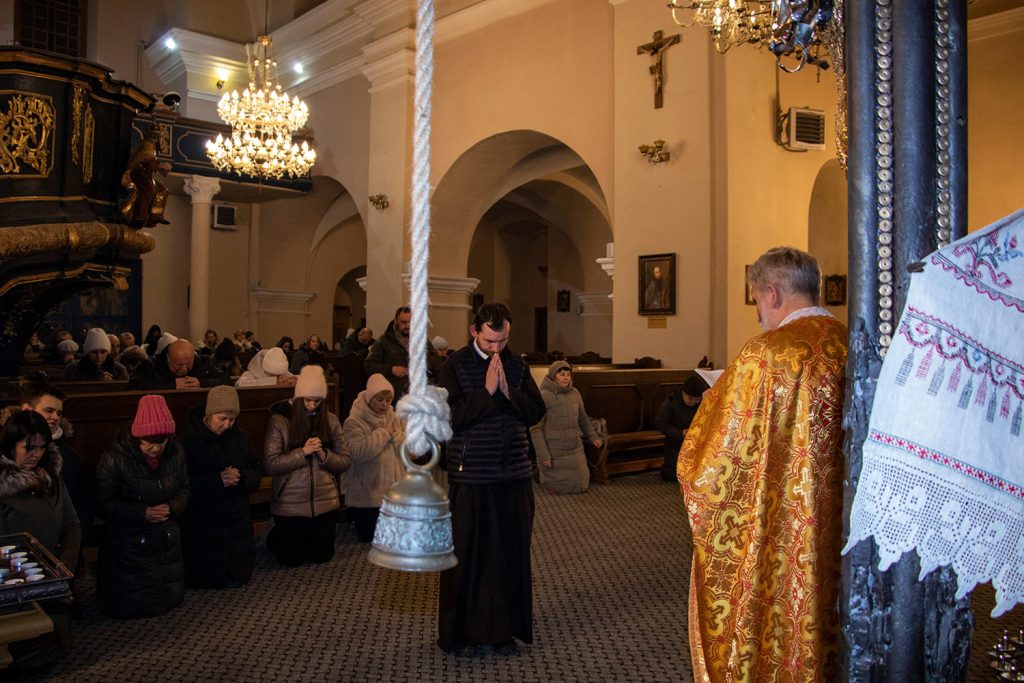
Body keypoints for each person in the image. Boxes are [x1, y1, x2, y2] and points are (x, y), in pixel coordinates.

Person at [678, 247, 848, 681]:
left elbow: (717, 458)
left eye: (756, 299)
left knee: (782, 613)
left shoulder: (767, 354)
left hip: (784, 524)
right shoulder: (851, 342)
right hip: (844, 519)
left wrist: (712, 403)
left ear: (771, 293)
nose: (758, 310)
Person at [437, 303, 546, 656]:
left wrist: (508, 393)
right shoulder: (453, 366)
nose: (496, 348)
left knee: (510, 555)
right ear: (474, 332)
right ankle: (463, 635)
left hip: (514, 475)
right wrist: (485, 392)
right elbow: (448, 419)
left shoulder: (516, 364)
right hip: (472, 478)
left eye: (502, 341)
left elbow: (535, 411)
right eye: (489, 341)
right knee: (469, 558)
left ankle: (504, 632)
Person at [95, 395, 189, 619]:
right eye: (148, 443)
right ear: (136, 438)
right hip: (129, 536)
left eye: (161, 443)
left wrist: (171, 507)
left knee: (166, 584)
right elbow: (103, 503)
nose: (155, 449)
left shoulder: (176, 454)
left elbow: (185, 489)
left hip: (165, 532)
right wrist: (142, 513)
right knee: (134, 595)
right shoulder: (114, 459)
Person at [0, 410, 80, 673]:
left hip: (52, 574)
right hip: (14, 579)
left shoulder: (51, 477)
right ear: (11, 446)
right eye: (28, 448)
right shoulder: (4, 485)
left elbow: (72, 525)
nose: (36, 454)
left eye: (42, 448)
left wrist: (63, 566)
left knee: (56, 645)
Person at [263, 366, 350, 566]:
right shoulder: (280, 421)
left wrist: (323, 455)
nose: (311, 406)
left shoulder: (331, 420)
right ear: (298, 398)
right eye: (307, 400)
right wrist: (302, 453)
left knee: (321, 556)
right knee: (291, 560)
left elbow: (345, 460)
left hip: (323, 500)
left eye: (317, 401)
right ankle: (276, 533)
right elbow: (270, 463)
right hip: (290, 501)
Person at [179, 386, 260, 588]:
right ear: (209, 415)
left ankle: (236, 570)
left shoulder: (241, 438)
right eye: (222, 419)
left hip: (236, 509)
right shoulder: (190, 441)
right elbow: (183, 483)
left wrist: (241, 477)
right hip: (205, 511)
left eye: (231, 420)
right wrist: (218, 480)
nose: (227, 425)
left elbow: (256, 471)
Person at [19, 384, 92, 557]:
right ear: (26, 409)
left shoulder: (67, 454)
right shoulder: (9, 450)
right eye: (49, 410)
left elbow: (81, 502)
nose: (55, 417)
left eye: (59, 413)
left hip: (61, 547)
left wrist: (74, 548)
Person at [342, 373, 405, 543]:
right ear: (370, 399)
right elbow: (357, 453)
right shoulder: (354, 421)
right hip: (366, 493)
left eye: (388, 400)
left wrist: (399, 437)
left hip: (392, 490)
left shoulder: (393, 417)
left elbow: (407, 453)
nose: (385, 405)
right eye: (380, 400)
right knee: (369, 537)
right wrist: (382, 433)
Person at [530, 360, 603, 494]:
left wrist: (593, 437)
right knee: (560, 487)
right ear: (553, 376)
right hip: (555, 450)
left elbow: (583, 418)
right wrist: (544, 456)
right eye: (562, 374)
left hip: (574, 447)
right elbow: (536, 429)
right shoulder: (544, 396)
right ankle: (539, 474)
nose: (565, 377)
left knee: (582, 485)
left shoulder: (575, 393)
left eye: (568, 374)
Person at [365, 306, 443, 402]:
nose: (407, 326)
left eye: (410, 322)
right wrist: (391, 369)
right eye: (403, 322)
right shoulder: (384, 341)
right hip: (394, 398)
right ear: (395, 321)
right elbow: (369, 366)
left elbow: (438, 364)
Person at [654, 374, 708, 482]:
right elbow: (661, 423)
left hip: (695, 442)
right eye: (690, 398)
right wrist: (680, 433)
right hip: (675, 442)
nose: (693, 402)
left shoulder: (701, 403)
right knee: (674, 475)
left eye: (696, 399)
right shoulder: (671, 402)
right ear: (683, 392)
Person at [128, 339, 230, 390]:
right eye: (179, 365)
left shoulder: (203, 362)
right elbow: (134, 384)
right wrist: (172, 385)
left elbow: (226, 380)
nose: (184, 369)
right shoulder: (152, 364)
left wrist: (201, 383)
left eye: (188, 364)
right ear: (168, 358)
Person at [64, 327, 129, 381]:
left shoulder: (119, 370)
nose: (99, 357)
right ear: (88, 352)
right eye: (94, 352)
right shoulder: (73, 369)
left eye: (103, 352)